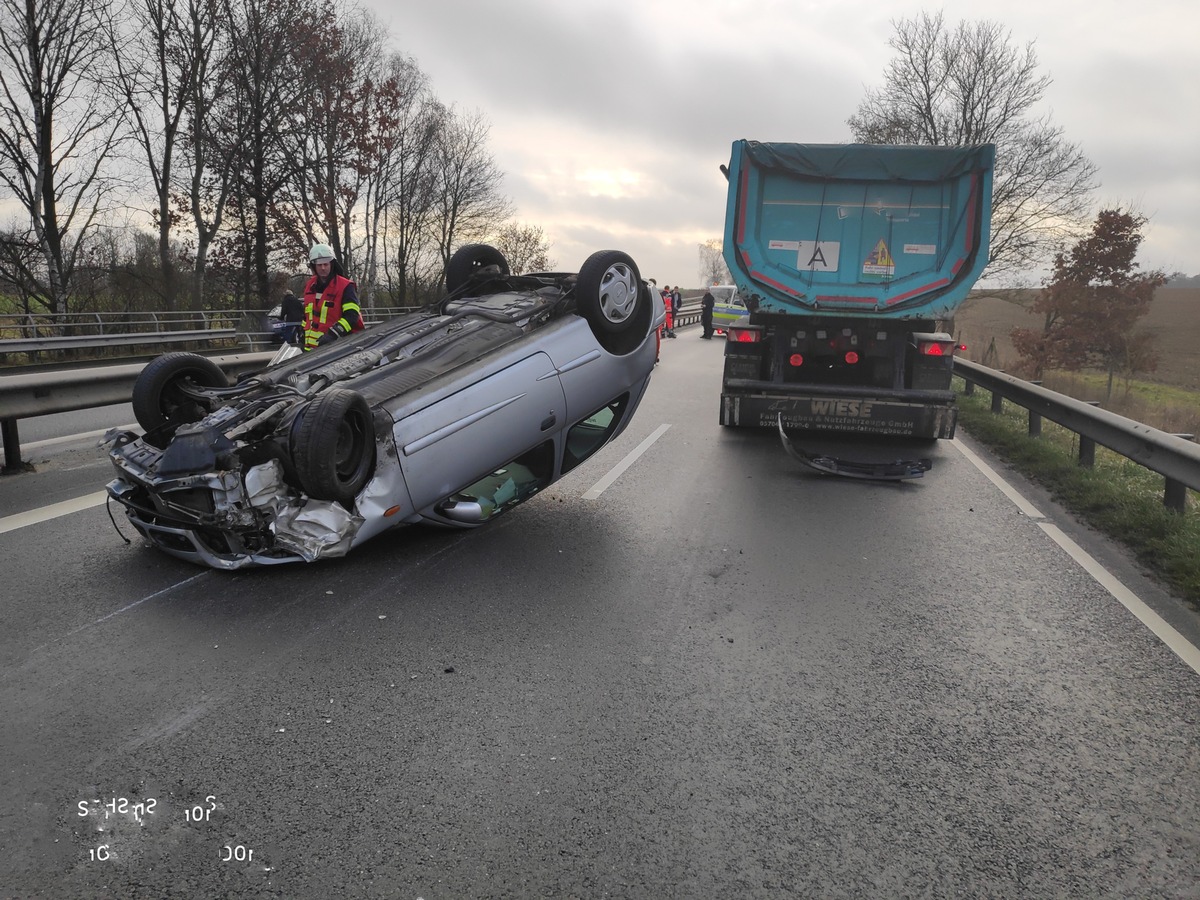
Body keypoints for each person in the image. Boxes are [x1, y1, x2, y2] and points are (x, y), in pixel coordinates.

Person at [302, 242, 364, 351]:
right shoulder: (310, 286)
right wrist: (302, 331)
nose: (323, 268)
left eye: (326, 264)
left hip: (337, 349)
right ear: (313, 266)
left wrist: (333, 334)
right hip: (310, 351)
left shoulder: (345, 286)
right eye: (319, 265)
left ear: (332, 264)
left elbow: (352, 316)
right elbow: (307, 315)